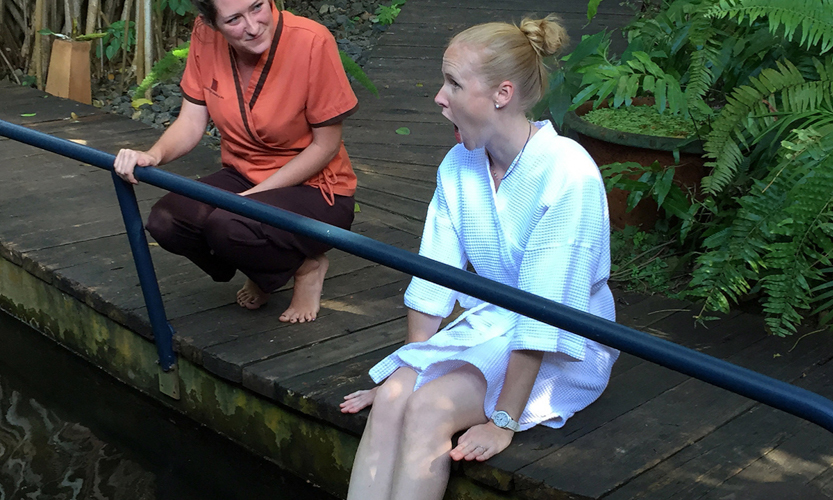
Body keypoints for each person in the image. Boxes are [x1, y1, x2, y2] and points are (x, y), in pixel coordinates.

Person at [339, 15, 619, 500]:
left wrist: (504, 421)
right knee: (391, 398)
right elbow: (432, 280)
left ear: (501, 94)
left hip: (562, 340)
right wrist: (409, 367)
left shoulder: (567, 173)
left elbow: (545, 314)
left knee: (428, 409)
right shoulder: (460, 163)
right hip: (493, 322)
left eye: (452, 83)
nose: (438, 97)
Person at [113, 0, 358, 323]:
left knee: (228, 224)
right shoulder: (205, 36)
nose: (253, 26)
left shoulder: (311, 41)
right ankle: (264, 266)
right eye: (234, 20)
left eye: (257, 7)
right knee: (167, 221)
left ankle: (307, 267)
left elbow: (325, 147)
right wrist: (152, 155)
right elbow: (190, 122)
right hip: (244, 173)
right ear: (213, 24)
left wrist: (249, 201)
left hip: (316, 188)